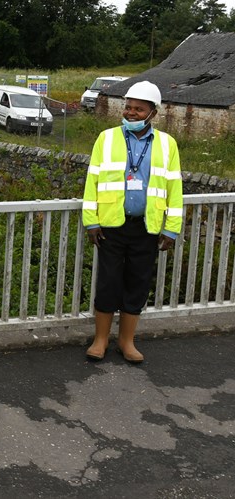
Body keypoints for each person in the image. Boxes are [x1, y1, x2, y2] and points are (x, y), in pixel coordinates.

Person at [83, 80, 182, 364]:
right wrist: (92, 221)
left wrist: (171, 228)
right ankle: (100, 340)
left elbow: (174, 189)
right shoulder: (107, 138)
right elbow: (93, 181)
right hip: (111, 225)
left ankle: (127, 341)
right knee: (108, 283)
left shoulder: (167, 145)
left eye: (139, 109)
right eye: (128, 107)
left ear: (153, 113)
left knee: (138, 283)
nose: (131, 113)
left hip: (147, 227)